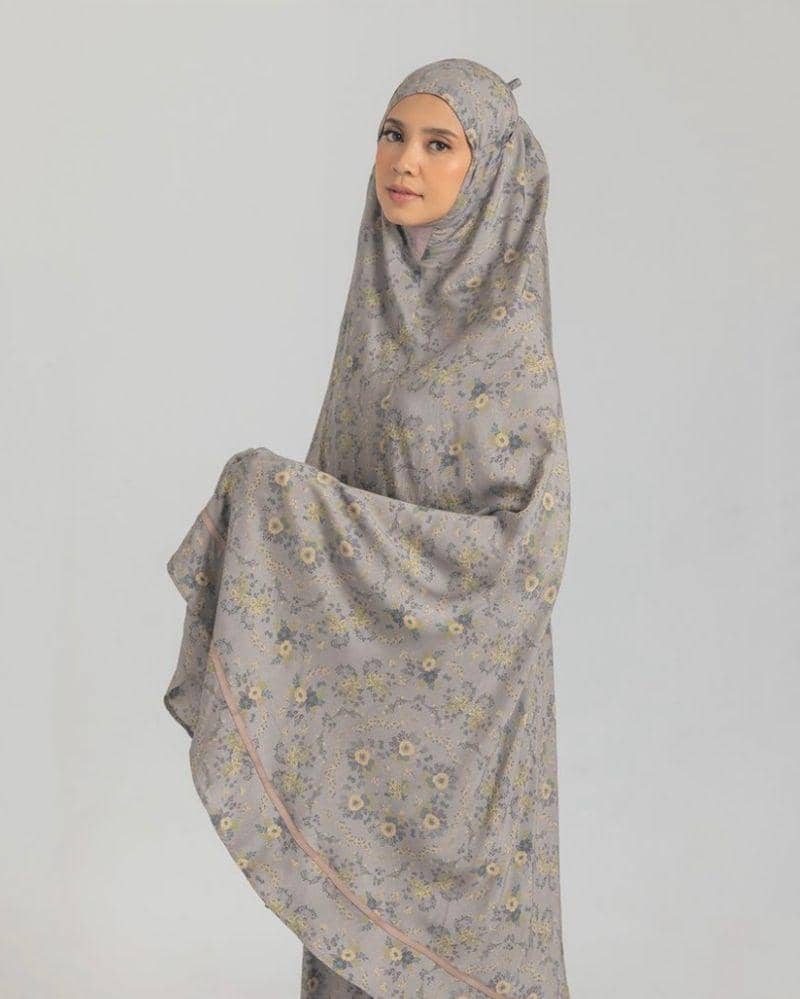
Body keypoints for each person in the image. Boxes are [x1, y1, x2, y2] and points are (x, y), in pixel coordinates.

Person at [164, 57, 571, 999]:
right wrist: (294, 510)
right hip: (367, 707)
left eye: (439, 144)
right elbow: (346, 495)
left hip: (471, 719)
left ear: (491, 172)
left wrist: (280, 502)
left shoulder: (506, 343)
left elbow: (526, 553)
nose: (405, 161)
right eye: (392, 135)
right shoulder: (378, 322)